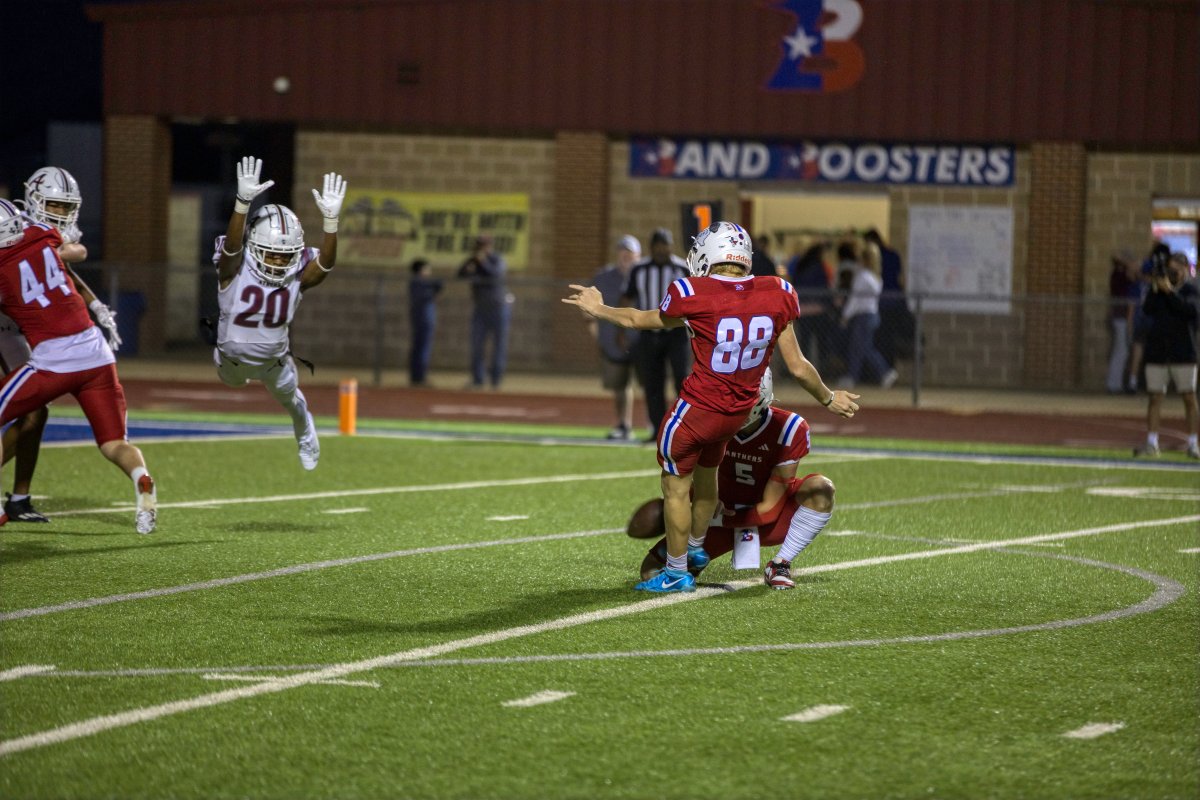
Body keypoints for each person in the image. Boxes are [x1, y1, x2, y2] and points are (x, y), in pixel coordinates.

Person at [564, 221, 859, 593]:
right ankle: (696, 547)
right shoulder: (777, 292)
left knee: (675, 489)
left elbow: (640, 320)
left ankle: (676, 571)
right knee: (708, 480)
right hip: (735, 414)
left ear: (708, 254)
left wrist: (599, 308)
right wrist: (829, 398)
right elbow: (798, 367)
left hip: (696, 410)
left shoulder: (693, 292)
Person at [0, 198, 156, 532]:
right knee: (114, 442)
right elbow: (78, 251)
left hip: (54, 361)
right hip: (96, 353)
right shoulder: (41, 233)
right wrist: (56, 257)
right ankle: (142, 477)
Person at [636, 368, 834, 590]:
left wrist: (716, 518)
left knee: (820, 488)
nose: (731, 403)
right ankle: (685, 567)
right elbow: (690, 484)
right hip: (718, 515)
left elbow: (770, 508)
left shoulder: (788, 428)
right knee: (649, 570)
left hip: (762, 521)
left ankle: (780, 565)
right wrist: (690, 511)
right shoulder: (706, 422)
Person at [212, 156, 346, 471]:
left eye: (285, 256)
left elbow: (325, 265)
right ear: (253, 247)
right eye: (271, 253)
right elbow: (231, 250)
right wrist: (242, 203)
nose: (277, 262)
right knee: (234, 383)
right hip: (230, 362)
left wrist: (331, 223)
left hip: (274, 362)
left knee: (292, 403)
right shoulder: (234, 269)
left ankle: (305, 431)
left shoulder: (297, 275)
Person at [621, 227, 690, 437]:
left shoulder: (683, 268)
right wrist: (621, 329)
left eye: (665, 245)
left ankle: (685, 428)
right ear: (651, 248)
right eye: (657, 246)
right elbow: (627, 297)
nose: (661, 250)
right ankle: (659, 430)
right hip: (649, 334)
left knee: (682, 380)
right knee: (652, 383)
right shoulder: (639, 269)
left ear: (671, 247)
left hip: (676, 333)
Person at [1133, 251, 1199, 459]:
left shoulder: (1190, 291)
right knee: (1155, 397)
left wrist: (1169, 291)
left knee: (1189, 397)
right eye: (1170, 270)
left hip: (1183, 352)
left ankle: (1193, 443)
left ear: (1185, 270)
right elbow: (1147, 309)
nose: (1172, 273)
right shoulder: (1157, 291)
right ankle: (1152, 442)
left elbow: (1189, 311)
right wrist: (1156, 287)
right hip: (1158, 351)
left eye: (1176, 270)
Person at [589, 235, 642, 440]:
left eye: (630, 252)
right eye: (623, 251)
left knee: (651, 386)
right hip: (614, 343)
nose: (625, 256)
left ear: (638, 255)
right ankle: (623, 424)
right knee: (620, 386)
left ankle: (656, 426)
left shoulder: (644, 274)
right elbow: (590, 309)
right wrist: (598, 336)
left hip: (642, 341)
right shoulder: (603, 277)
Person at [837, 240, 897, 389]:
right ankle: (854, 376)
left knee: (861, 348)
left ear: (864, 259)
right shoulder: (875, 277)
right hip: (872, 315)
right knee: (860, 347)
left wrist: (846, 315)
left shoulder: (863, 276)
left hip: (863, 316)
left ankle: (883, 372)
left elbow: (855, 299)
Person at [457, 235, 511, 389]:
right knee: (477, 344)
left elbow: (495, 274)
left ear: (490, 246)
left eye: (484, 245)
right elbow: (460, 274)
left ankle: (496, 380)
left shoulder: (497, 259)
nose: (481, 248)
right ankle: (478, 379)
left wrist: (482, 262)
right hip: (480, 308)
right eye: (479, 245)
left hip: (498, 308)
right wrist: (471, 264)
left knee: (499, 345)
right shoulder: (473, 260)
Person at [1106, 249, 1139, 394]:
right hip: (1121, 317)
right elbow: (1116, 256)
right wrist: (1128, 262)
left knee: (1122, 351)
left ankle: (1115, 383)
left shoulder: (1122, 274)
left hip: (1122, 317)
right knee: (1121, 351)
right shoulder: (1118, 274)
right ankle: (1114, 385)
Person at [408, 258, 442, 387]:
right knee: (422, 348)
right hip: (423, 319)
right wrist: (435, 289)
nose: (429, 271)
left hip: (424, 318)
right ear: (421, 270)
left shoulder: (422, 283)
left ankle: (418, 376)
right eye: (427, 269)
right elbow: (427, 296)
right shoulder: (418, 282)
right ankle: (419, 377)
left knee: (421, 347)